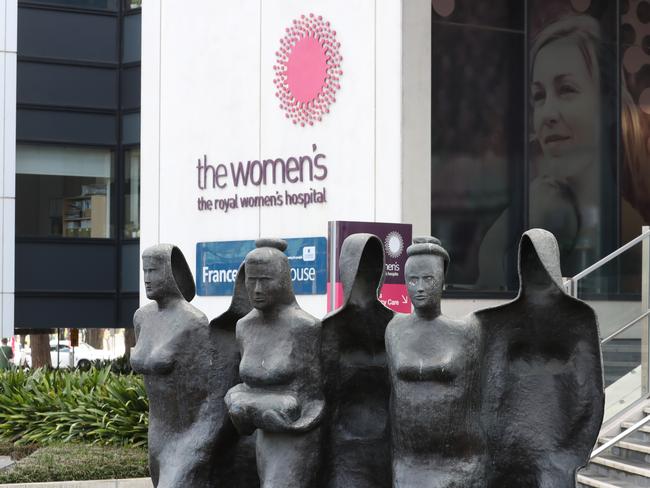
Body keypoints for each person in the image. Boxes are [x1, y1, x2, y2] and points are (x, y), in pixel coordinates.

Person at [479, 14, 650, 285]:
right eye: (539, 96)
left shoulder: (627, 238)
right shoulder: (538, 205)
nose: (547, 113)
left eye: (566, 89)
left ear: (609, 105)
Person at [131, 244, 241, 487]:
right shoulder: (142, 318)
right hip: (157, 430)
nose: (147, 279)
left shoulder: (193, 322)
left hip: (188, 430)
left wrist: (203, 437)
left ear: (170, 274)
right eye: (144, 271)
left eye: (154, 272)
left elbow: (212, 388)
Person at [385, 237, 485, 487]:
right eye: (412, 280)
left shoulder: (468, 331)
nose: (419, 288)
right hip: (408, 460)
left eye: (428, 279)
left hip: (457, 461)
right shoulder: (395, 329)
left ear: (442, 281)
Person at [225, 238, 324, 488]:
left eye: (265, 280)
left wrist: (283, 413)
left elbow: (316, 396)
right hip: (262, 435)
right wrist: (236, 400)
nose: (257, 289)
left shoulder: (305, 327)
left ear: (283, 280)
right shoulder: (244, 326)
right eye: (251, 279)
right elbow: (242, 384)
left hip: (295, 437)